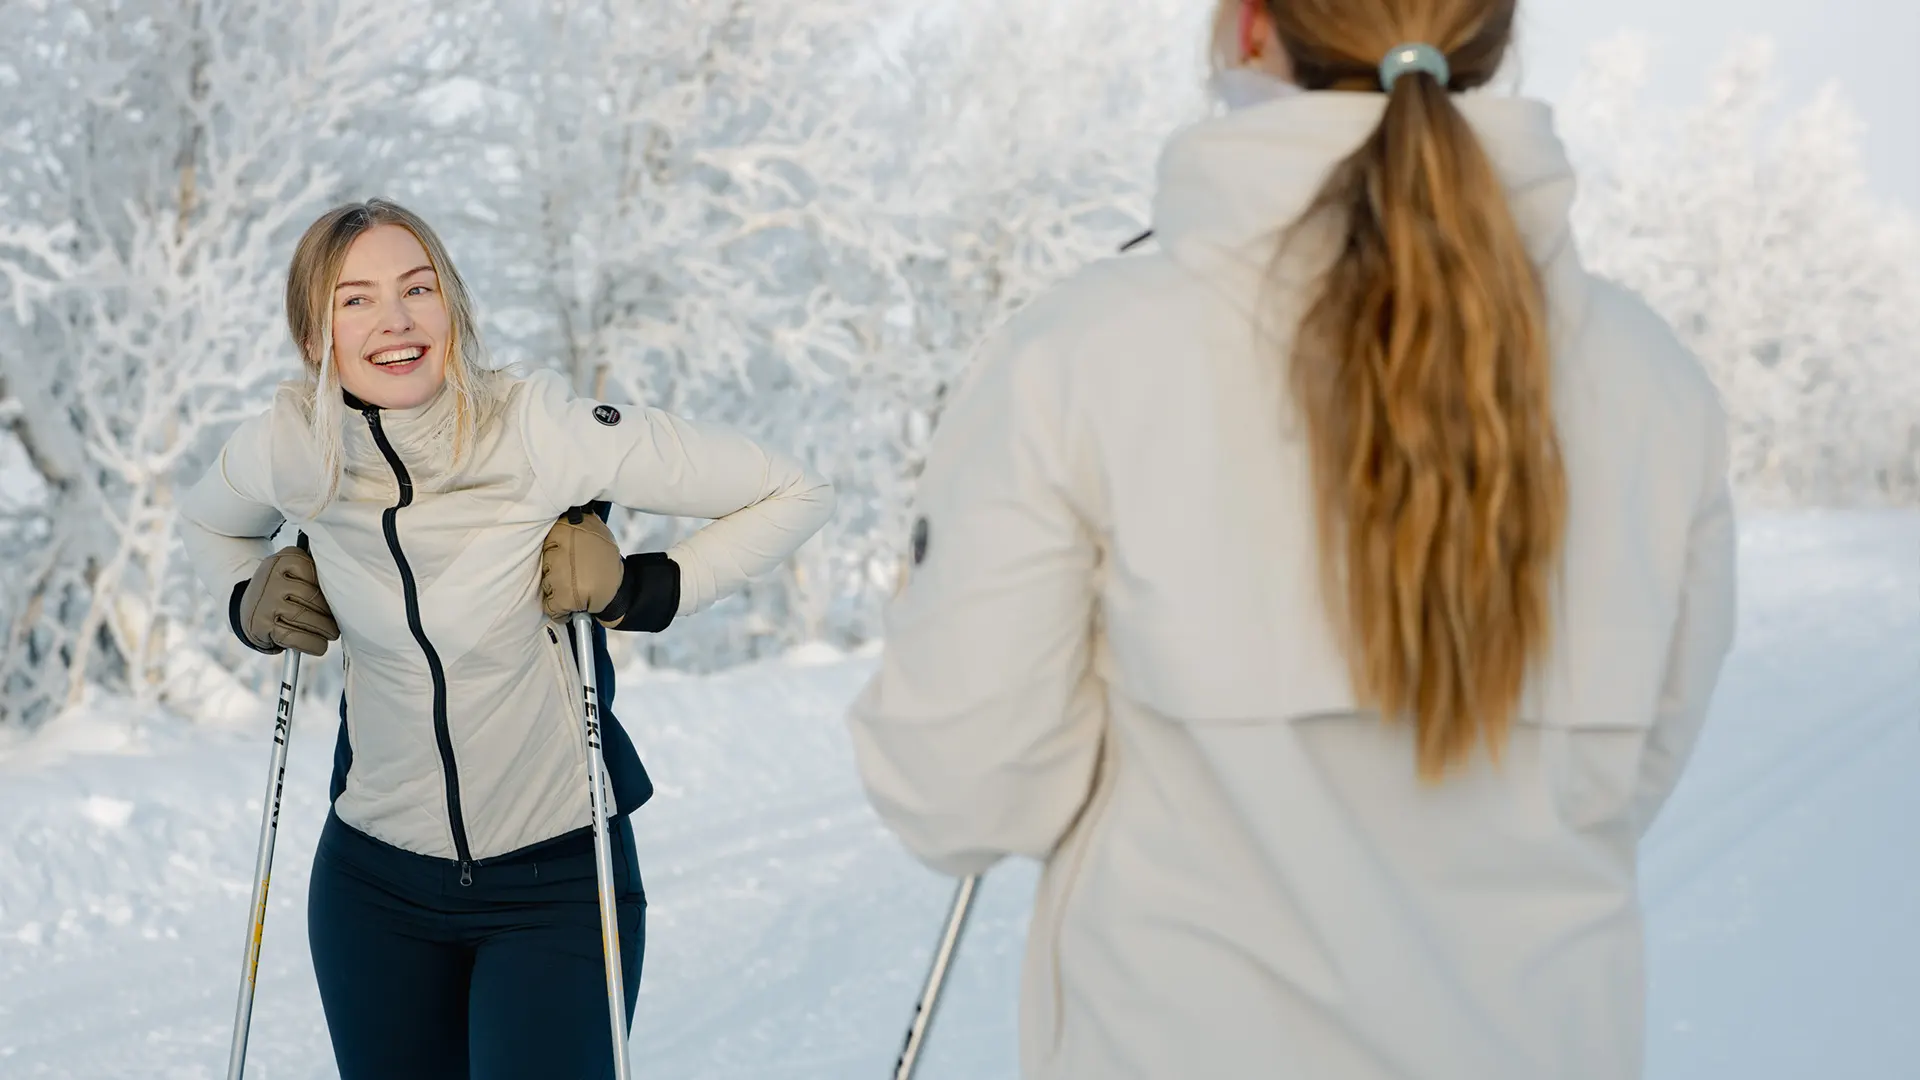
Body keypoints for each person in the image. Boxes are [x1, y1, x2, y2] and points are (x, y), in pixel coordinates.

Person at [845, 2, 1736, 1078]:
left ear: (1254, 27)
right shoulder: (1655, 383)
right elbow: (1629, 781)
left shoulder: (1086, 353)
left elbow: (962, 796)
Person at [177, 198, 834, 1079]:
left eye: (418, 289)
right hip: (373, 889)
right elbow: (207, 524)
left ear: (453, 306)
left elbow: (791, 491)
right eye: (356, 299)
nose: (396, 320)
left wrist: (642, 584)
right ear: (313, 334)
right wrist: (246, 599)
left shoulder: (536, 429)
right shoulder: (292, 446)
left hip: (556, 882)